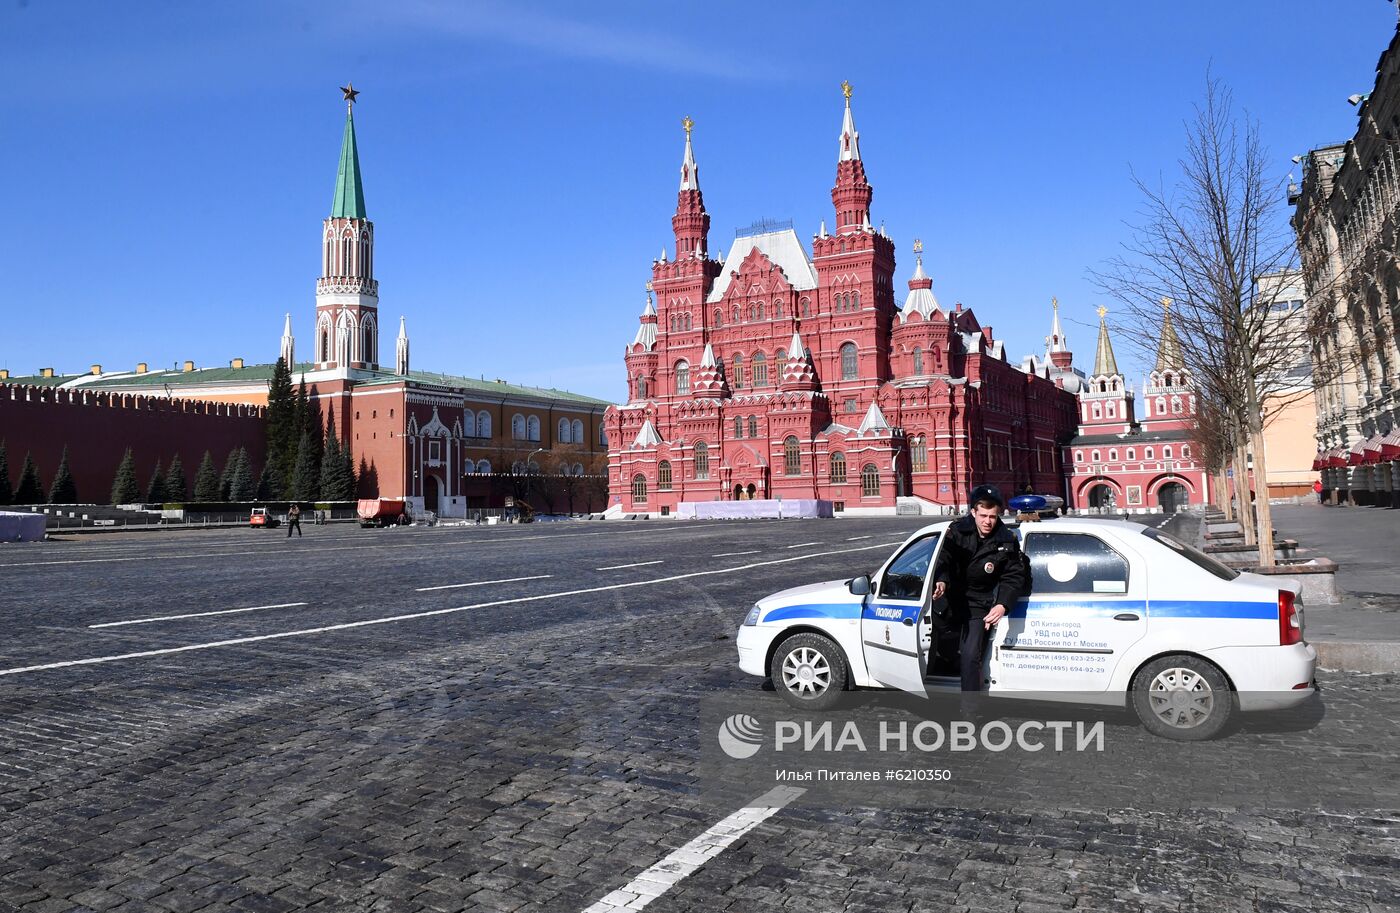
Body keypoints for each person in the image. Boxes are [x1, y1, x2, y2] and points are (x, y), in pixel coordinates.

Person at [932, 484, 1028, 701]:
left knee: (969, 657)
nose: (987, 522)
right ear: (973, 512)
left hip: (979, 604)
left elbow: (1014, 576)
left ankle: (970, 710)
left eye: (992, 516)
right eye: (983, 515)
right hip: (950, 599)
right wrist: (941, 580)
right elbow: (943, 558)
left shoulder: (1006, 540)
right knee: (937, 640)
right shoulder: (956, 532)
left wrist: (1002, 604)